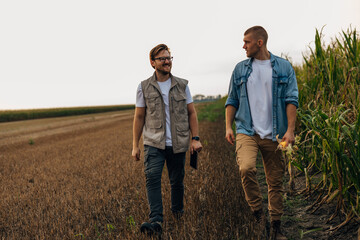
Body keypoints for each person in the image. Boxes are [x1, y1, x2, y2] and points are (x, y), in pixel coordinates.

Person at [225, 26, 298, 240]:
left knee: (275, 181)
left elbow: (291, 100)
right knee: (246, 168)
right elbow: (232, 101)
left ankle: (276, 226)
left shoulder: (284, 68)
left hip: (277, 135)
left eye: (246, 42)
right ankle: (258, 214)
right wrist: (229, 126)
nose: (243, 46)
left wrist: (290, 131)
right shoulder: (240, 69)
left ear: (259, 43)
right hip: (247, 130)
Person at [132, 44, 203, 235]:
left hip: (178, 142)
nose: (167, 61)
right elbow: (139, 117)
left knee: (177, 181)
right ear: (152, 63)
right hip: (153, 142)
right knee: (152, 177)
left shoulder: (182, 85)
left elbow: (191, 113)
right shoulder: (143, 87)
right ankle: (156, 221)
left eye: (169, 58)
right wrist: (135, 145)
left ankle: (178, 213)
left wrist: (195, 139)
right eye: (162, 58)